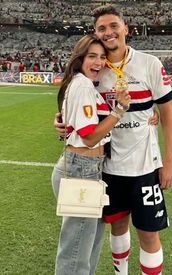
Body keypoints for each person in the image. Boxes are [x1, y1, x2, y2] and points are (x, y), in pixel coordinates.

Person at [54, 5, 172, 275]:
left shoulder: (149, 64)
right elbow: (80, 105)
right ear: (95, 32)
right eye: (101, 29)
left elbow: (167, 115)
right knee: (117, 227)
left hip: (144, 166)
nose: (108, 33)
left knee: (149, 234)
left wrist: (170, 162)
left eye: (113, 26)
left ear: (125, 29)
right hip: (107, 168)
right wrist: (61, 121)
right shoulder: (96, 71)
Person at [51, 34, 131, 275]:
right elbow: (88, 136)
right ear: (80, 58)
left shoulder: (82, 84)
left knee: (87, 246)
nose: (98, 62)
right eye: (92, 56)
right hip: (82, 168)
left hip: (87, 167)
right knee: (76, 252)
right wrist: (119, 111)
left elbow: (73, 128)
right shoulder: (83, 85)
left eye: (102, 57)